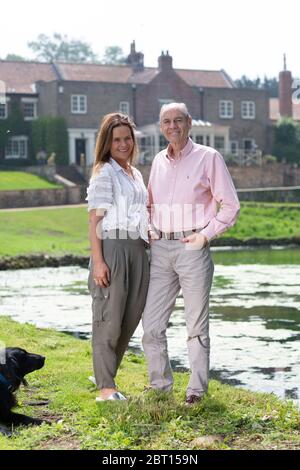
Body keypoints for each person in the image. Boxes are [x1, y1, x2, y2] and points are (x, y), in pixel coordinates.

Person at [142, 102, 240, 405]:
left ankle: (196, 390)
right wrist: (150, 230)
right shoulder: (158, 160)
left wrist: (205, 236)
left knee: (196, 325)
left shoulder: (208, 158)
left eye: (178, 120)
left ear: (189, 122)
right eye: (167, 121)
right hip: (160, 250)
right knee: (152, 324)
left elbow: (231, 206)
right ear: (161, 127)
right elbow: (149, 204)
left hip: (192, 249)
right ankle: (160, 386)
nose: (173, 126)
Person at [86, 112, 150, 401]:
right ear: (107, 143)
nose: (123, 144)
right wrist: (99, 261)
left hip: (138, 249)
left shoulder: (135, 174)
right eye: (116, 140)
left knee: (131, 316)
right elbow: (94, 221)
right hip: (112, 249)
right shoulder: (105, 172)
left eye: (127, 138)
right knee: (108, 318)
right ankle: (105, 387)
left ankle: (105, 372)